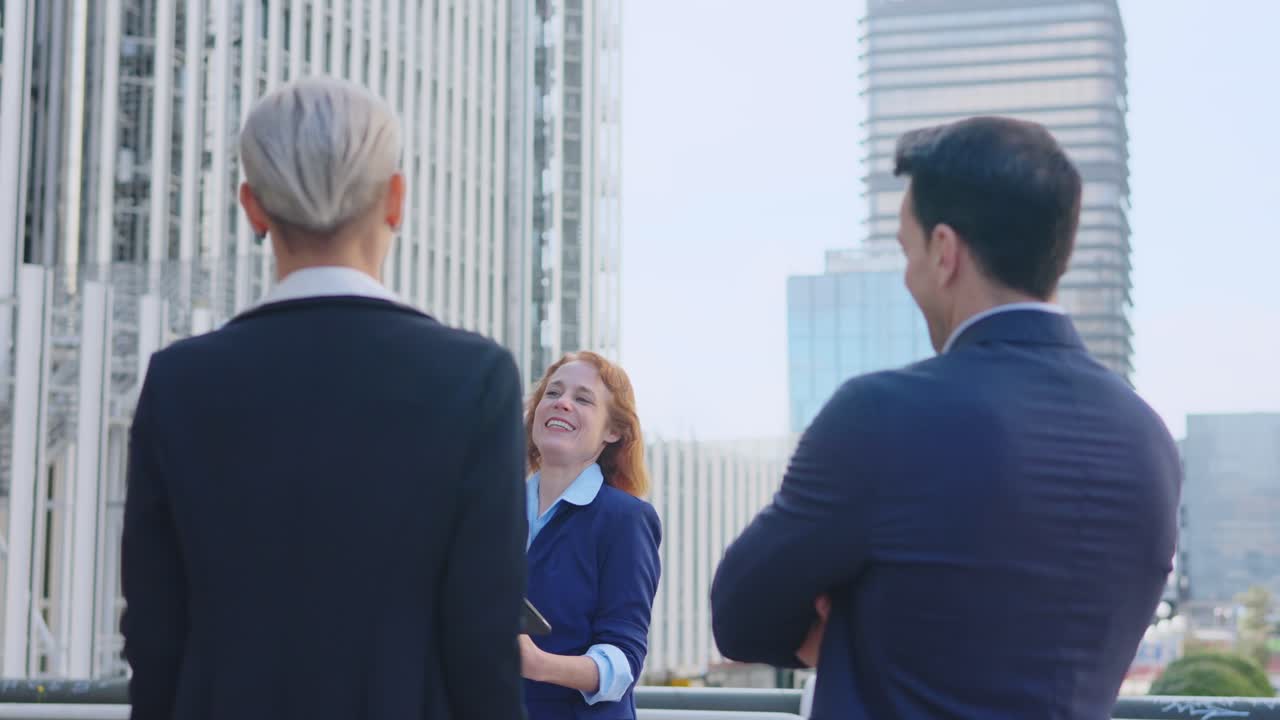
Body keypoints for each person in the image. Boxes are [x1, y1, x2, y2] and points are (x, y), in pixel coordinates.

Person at [710, 116, 1181, 719]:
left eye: (908, 251)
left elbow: (742, 619)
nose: (908, 275)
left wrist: (855, 626)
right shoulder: (1149, 439)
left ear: (944, 252)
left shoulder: (882, 415)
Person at [120, 77, 527, 720]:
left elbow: (155, 635)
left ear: (252, 207)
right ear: (397, 199)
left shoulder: (179, 382)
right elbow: (482, 646)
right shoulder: (475, 380)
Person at [519, 351, 662, 720]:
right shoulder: (492, 512)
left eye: (582, 399)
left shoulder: (625, 520)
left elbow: (622, 661)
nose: (562, 403)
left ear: (612, 432)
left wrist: (538, 664)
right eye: (552, 394)